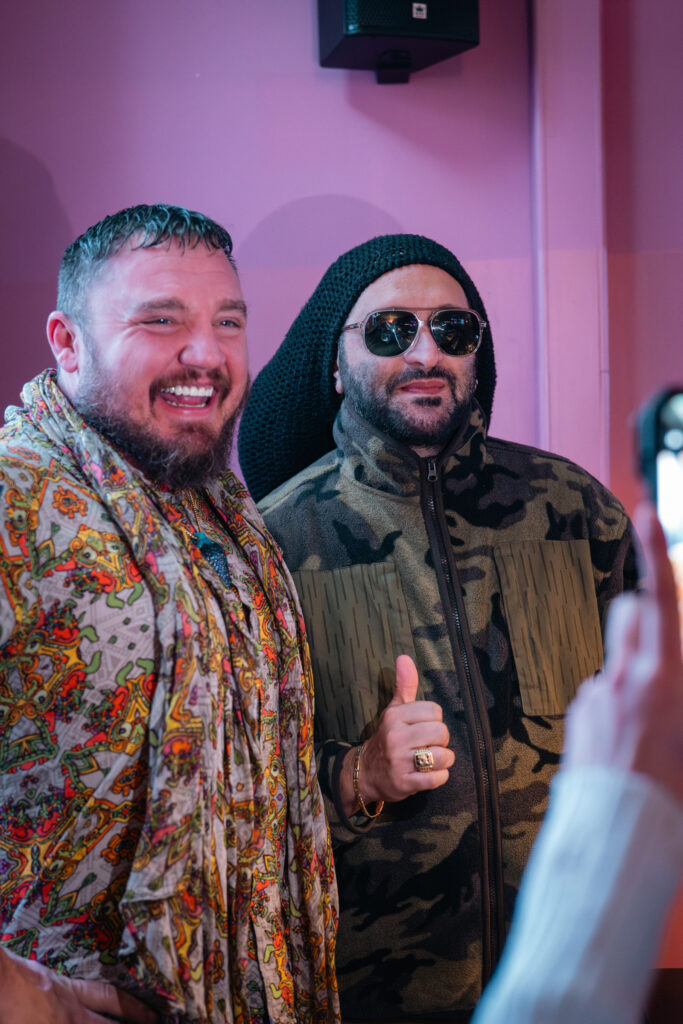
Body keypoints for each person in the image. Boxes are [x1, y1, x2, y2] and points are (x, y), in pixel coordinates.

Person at [237, 234, 638, 1021]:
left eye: (452, 331)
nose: (425, 353)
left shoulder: (573, 511)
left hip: (577, 979)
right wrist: (356, 773)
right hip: (374, 994)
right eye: (389, 330)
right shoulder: (276, 545)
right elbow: (235, 790)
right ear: (334, 363)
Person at [0, 205, 339, 1024]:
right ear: (68, 342)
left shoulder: (217, 506)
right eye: (161, 321)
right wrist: (24, 996)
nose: (207, 354)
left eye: (229, 322)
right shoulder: (14, 496)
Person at [473, 501, 683, 1024]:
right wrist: (353, 775)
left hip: (621, 972)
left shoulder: (582, 509)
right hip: (389, 985)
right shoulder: (293, 528)